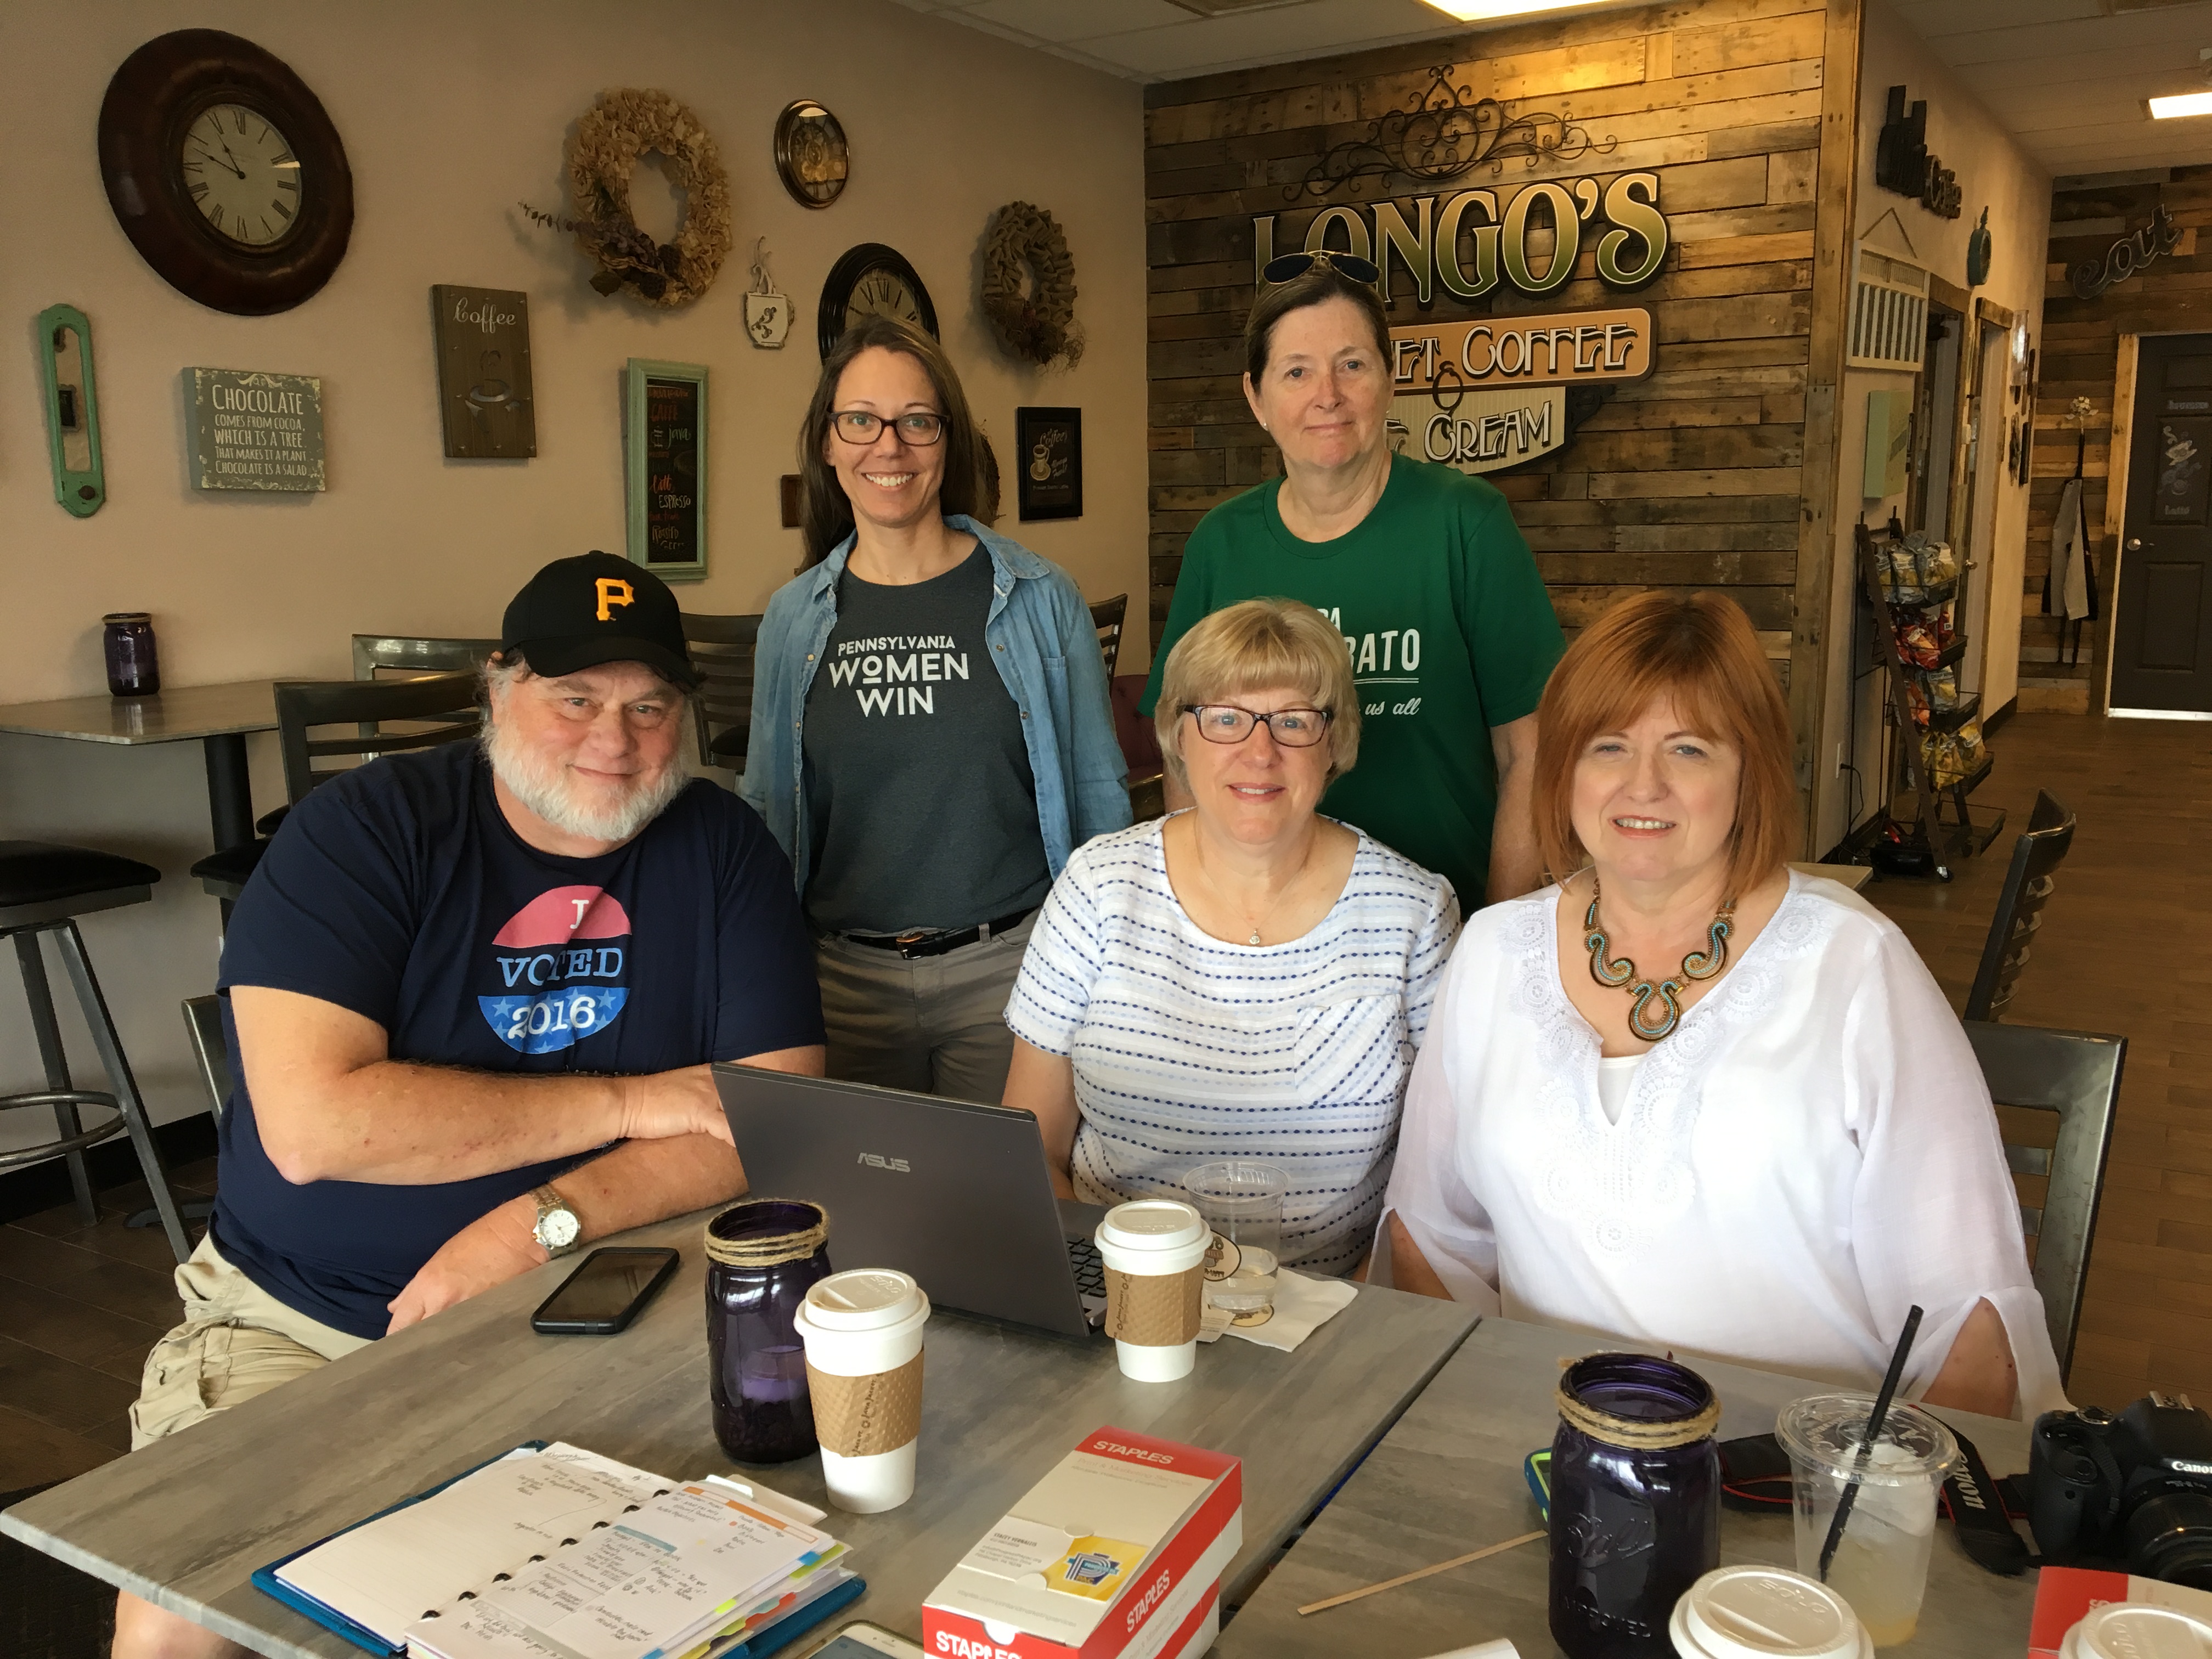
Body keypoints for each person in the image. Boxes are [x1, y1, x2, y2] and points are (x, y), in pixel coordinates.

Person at [115, 553, 826, 1659]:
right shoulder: (361, 831)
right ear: (497, 688)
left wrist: (535, 1225)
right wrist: (636, 1103)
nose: (616, 739)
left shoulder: (722, 847)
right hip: (308, 1322)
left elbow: (775, 1117)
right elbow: (316, 1130)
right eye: (574, 699)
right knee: (171, 1614)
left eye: (650, 707)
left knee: (654, 1600)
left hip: (611, 1302)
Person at [1377, 590, 2061, 1418]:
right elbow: (1430, 1237)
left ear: (1751, 770)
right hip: (1549, 1461)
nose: (1643, 785)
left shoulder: (1854, 968)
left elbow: (1970, 1324)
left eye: (1690, 749)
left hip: (1795, 1486)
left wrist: (1853, 1509)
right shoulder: (1491, 952)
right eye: (1608, 746)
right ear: (1563, 770)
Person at [1004, 599, 1457, 1275]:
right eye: (1224, 718)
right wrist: (1100, 1285)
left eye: (1294, 722)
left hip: (1339, 1303)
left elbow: (1441, 1189)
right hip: (1122, 1293)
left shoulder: (1415, 912)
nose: (1259, 751)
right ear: (1177, 736)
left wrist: (1355, 1321)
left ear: (1335, 742)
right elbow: (1030, 1143)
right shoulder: (1098, 886)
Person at [742, 315, 1128, 1102]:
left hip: (1012, 975)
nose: (889, 447)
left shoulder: (1040, 598)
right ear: (827, 441)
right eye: (861, 421)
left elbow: (1098, 798)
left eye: (917, 421)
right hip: (842, 985)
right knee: (857, 1213)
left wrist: (1110, 968)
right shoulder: (792, 617)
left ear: (946, 440)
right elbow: (769, 808)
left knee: (1009, 1209)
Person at [1138, 250, 1562, 911]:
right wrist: (1207, 916)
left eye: (1352, 365)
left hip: (1447, 913)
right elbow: (1184, 756)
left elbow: (1531, 755)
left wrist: (1499, 936)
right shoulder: (1221, 543)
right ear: (1256, 397)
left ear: (1390, 382)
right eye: (1296, 371)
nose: (1326, 395)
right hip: (1266, 928)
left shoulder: (1466, 523)